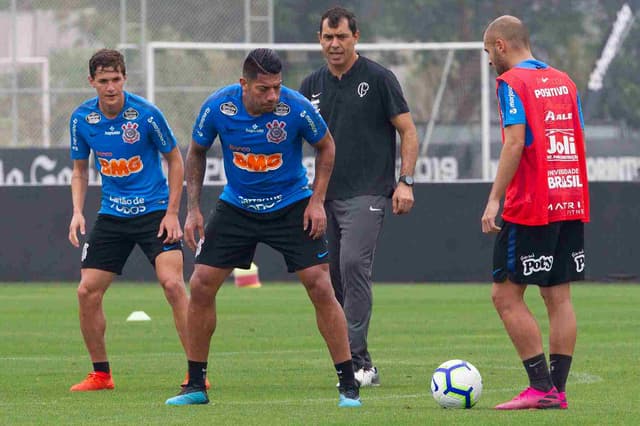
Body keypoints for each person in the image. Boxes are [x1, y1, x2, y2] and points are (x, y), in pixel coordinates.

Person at [164, 48, 361, 408]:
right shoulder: (218, 107)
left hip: (290, 204)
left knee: (320, 284)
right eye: (264, 89)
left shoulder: (296, 107)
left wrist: (316, 201)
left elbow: (327, 147)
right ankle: (195, 384)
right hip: (237, 205)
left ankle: (348, 383)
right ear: (244, 84)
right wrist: (192, 211)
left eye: (277, 87)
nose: (273, 96)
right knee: (201, 283)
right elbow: (195, 152)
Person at [299, 7, 418, 387]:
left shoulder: (379, 78)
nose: (334, 44)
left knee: (352, 265)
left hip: (367, 192)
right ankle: (355, 361)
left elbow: (408, 132)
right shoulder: (310, 85)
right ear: (319, 39)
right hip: (323, 197)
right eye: (328, 37)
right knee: (332, 279)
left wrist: (406, 181)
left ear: (356, 37)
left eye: (342, 37)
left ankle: (357, 364)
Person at [68, 49, 197, 391]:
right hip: (112, 214)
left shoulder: (146, 114)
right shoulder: (82, 119)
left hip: (155, 212)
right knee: (86, 292)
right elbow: (80, 171)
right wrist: (78, 211)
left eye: (116, 80)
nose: (110, 87)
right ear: (92, 81)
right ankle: (101, 374)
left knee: (172, 284)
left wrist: (172, 212)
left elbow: (176, 160)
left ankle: (196, 373)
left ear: (124, 78)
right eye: (103, 81)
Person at [481, 16, 590, 410]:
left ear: (500, 46)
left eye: (488, 52)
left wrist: (495, 199)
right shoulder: (566, 81)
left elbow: (514, 143)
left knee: (505, 295)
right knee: (558, 296)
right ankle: (556, 391)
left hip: (531, 204)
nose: (490, 60)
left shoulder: (511, 83)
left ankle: (540, 386)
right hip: (570, 198)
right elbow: (578, 137)